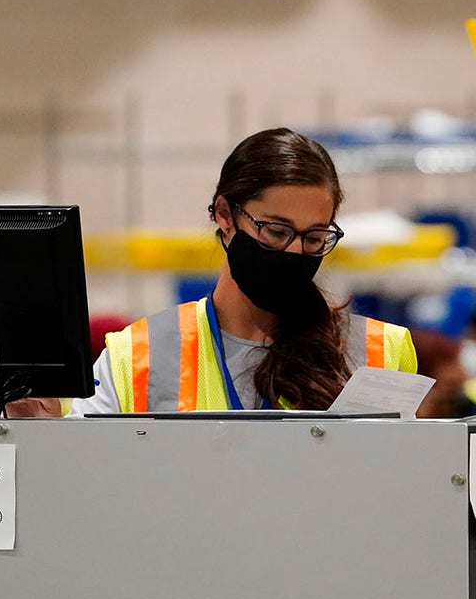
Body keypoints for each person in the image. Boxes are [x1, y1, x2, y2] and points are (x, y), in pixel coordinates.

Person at [67, 127, 417, 416]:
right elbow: (79, 473)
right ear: (224, 214)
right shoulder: (135, 357)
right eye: (276, 232)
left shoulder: (381, 351)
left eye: (314, 237)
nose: (295, 252)